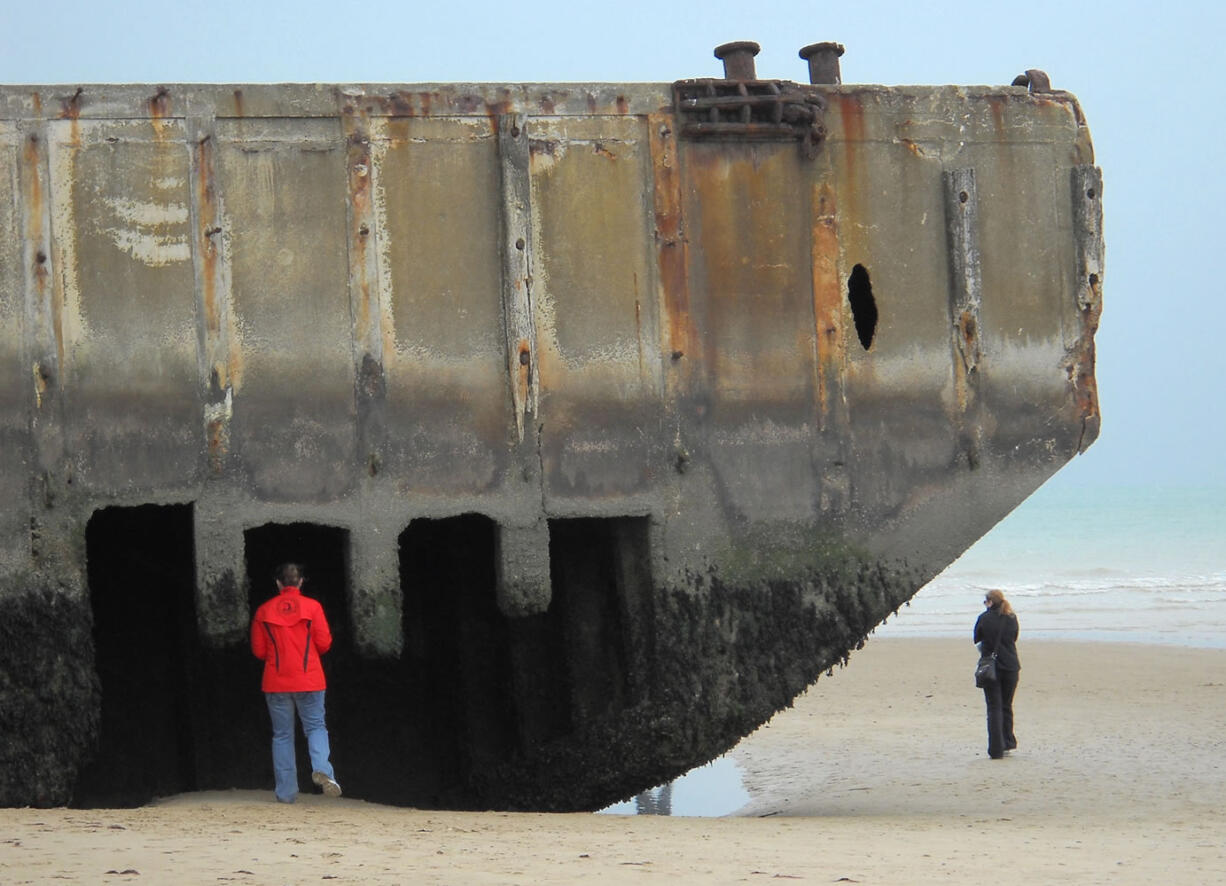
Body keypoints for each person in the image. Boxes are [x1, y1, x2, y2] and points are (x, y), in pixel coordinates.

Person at [250, 562, 342, 803]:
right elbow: (324, 644)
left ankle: (286, 793)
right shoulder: (313, 607)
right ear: (300, 582)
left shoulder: (264, 611)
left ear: (278, 583)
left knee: (282, 735)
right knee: (315, 727)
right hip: (310, 678)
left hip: (276, 681)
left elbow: (259, 651)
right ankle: (323, 768)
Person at [973, 588, 1020, 760]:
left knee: (994, 708)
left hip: (990, 667)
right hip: (1011, 666)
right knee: (1006, 706)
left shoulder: (984, 619)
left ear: (990, 602)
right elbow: (1014, 638)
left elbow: (976, 639)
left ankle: (996, 749)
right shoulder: (1012, 618)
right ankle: (1007, 743)